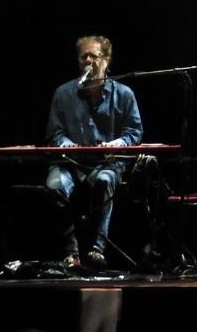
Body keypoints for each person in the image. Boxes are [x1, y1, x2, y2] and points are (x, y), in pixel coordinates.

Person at [45, 35, 143, 268]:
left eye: (94, 56)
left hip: (106, 163)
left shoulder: (124, 94)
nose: (88, 60)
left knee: (104, 180)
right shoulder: (63, 94)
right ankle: (71, 253)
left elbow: (134, 131)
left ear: (107, 61)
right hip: (70, 164)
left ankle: (97, 250)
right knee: (54, 186)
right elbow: (54, 133)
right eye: (83, 56)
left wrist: (117, 143)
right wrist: (66, 142)